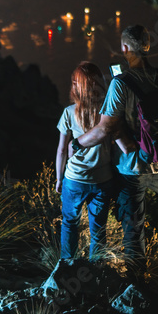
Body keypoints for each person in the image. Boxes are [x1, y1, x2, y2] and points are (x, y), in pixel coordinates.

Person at [68, 25, 158, 269]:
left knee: (133, 221)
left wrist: (77, 142)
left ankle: (138, 276)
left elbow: (105, 129)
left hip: (132, 167)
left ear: (125, 48)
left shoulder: (120, 84)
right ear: (147, 46)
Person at [55, 61, 114, 261]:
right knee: (98, 230)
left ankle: (66, 266)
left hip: (74, 179)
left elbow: (62, 149)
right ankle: (96, 273)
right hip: (102, 179)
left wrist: (58, 178)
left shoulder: (69, 113)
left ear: (77, 86)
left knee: (70, 223)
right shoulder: (108, 112)